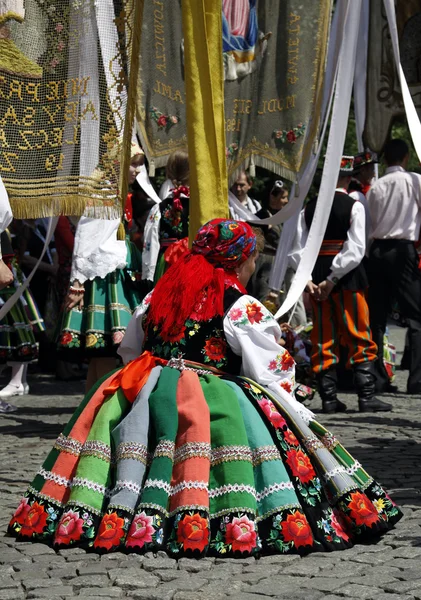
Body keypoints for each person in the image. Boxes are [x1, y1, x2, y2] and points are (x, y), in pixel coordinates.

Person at [8, 219, 402, 557]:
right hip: (206, 395)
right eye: (251, 260)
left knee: (133, 452)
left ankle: (115, 515)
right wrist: (292, 405)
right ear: (240, 261)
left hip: (147, 385)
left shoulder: (158, 294)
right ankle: (209, 519)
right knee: (230, 437)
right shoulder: (239, 304)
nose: (251, 267)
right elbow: (267, 370)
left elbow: (130, 347)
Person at [290, 156, 391, 414]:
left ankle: (329, 398)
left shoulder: (309, 208)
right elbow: (356, 249)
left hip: (317, 278)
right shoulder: (354, 205)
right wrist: (333, 277)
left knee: (323, 336)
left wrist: (310, 280)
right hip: (346, 279)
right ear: (347, 178)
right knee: (358, 331)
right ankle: (366, 396)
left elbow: (297, 250)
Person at [57, 142, 145, 391]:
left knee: (104, 354)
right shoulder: (104, 194)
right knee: (109, 349)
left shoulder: (112, 191)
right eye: (134, 163)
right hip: (106, 280)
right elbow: (85, 240)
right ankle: (97, 415)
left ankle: (90, 414)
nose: (138, 170)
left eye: (140, 164)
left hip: (111, 274)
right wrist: (77, 283)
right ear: (118, 162)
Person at [367, 139, 421, 394]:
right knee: (416, 314)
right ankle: (417, 378)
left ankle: (378, 377)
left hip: (377, 250)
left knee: (378, 316)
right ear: (406, 157)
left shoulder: (375, 187)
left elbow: (370, 223)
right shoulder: (414, 181)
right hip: (402, 250)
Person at [142, 152, 190, 288]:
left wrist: (148, 277)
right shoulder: (199, 209)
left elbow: (151, 243)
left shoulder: (158, 208)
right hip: (192, 263)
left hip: (166, 264)